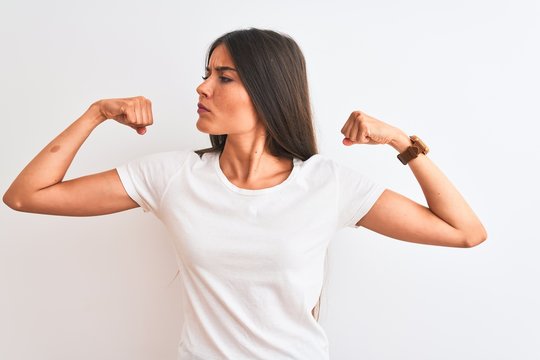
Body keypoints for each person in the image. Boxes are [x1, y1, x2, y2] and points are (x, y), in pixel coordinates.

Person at [3, 28, 487, 360]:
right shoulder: (173, 175)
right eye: (207, 72)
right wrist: (96, 113)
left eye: (223, 77)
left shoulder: (326, 184)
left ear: (268, 91)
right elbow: (26, 195)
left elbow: (465, 232)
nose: (202, 86)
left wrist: (402, 142)